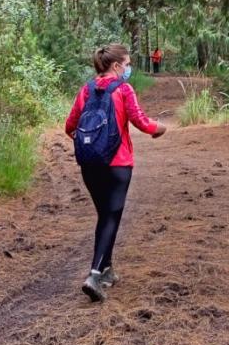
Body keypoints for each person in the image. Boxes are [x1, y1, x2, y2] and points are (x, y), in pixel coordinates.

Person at [65, 43, 167, 302]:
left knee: (105, 215)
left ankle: (107, 269)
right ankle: (94, 275)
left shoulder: (86, 89)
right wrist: (159, 128)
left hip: (89, 163)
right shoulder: (123, 89)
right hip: (118, 164)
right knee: (111, 217)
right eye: (127, 63)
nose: (128, 68)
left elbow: (70, 125)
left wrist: (90, 144)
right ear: (116, 66)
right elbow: (140, 120)